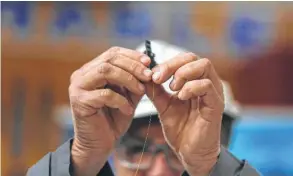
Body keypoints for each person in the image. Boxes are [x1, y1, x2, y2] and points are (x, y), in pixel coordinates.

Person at [27, 41, 261, 176]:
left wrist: (207, 163)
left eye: (178, 154)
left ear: (223, 149)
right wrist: (83, 158)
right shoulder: (89, 159)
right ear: (113, 153)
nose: (159, 172)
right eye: (138, 150)